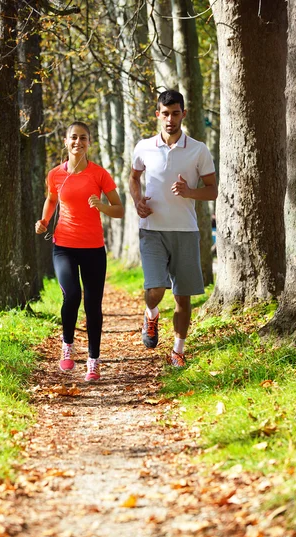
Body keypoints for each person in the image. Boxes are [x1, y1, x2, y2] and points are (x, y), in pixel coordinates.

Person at [129, 90, 218, 367]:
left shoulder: (198, 150)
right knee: (155, 288)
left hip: (185, 231)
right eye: (165, 113)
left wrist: (189, 191)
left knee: (182, 296)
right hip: (152, 229)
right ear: (158, 115)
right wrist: (136, 201)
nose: (170, 119)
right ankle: (151, 314)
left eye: (175, 113)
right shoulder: (143, 147)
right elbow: (133, 178)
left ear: (183, 114)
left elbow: (213, 191)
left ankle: (178, 350)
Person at [35, 121, 124, 381]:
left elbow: (118, 209)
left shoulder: (99, 174)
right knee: (71, 295)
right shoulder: (55, 175)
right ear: (66, 141)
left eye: (83, 138)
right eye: (73, 137)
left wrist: (101, 205)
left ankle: (93, 361)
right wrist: (44, 221)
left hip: (94, 248)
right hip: (63, 246)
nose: (78, 142)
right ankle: (67, 345)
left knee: (93, 305)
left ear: (89, 142)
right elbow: (52, 199)